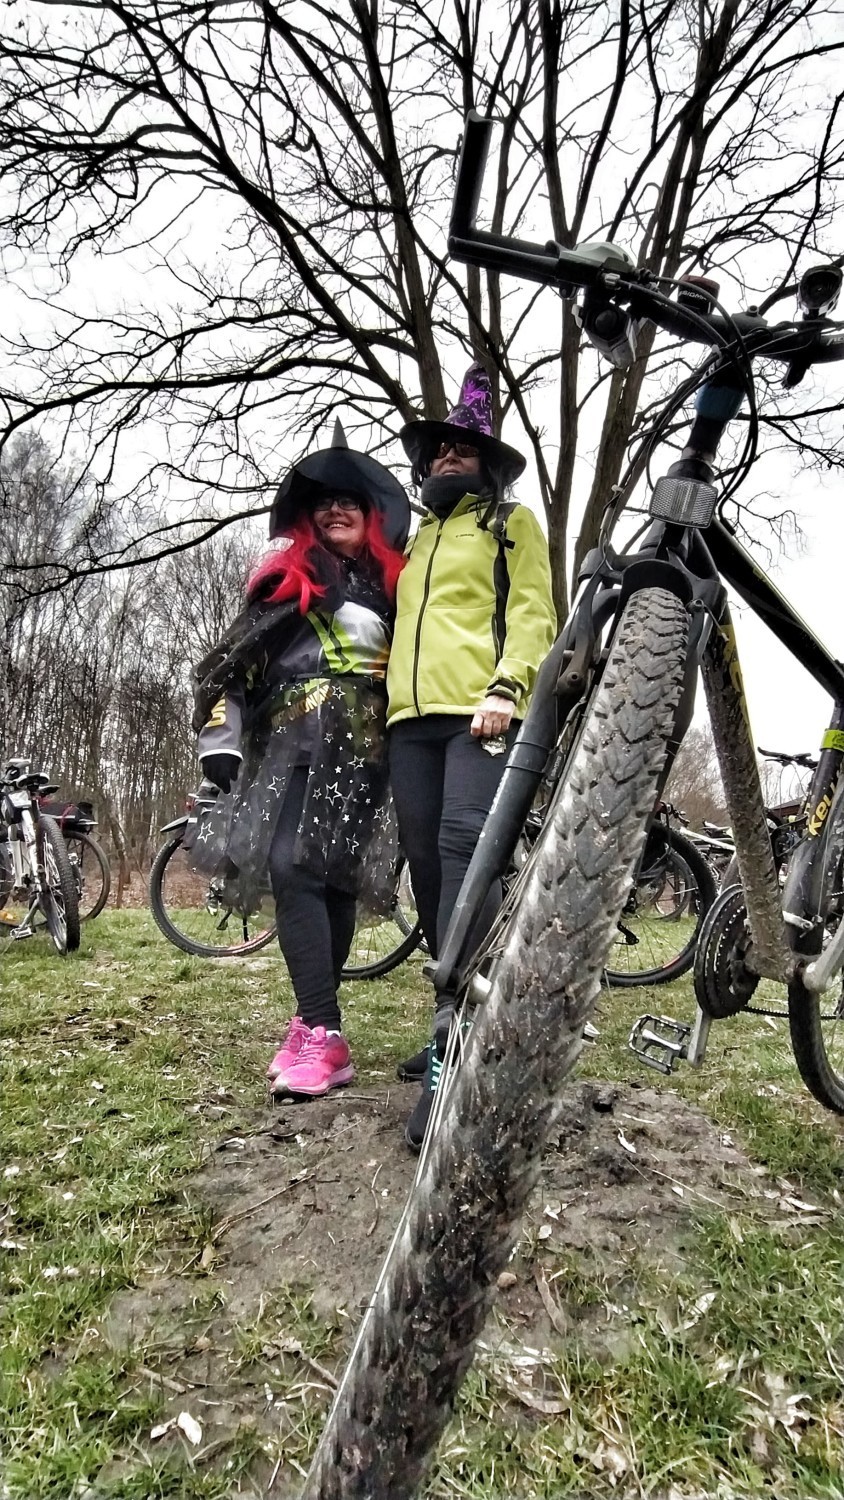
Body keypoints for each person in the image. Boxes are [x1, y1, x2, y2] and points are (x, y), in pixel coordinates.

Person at [191, 422, 409, 1099]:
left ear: (371, 515)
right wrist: (220, 739)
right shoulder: (278, 584)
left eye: (349, 500)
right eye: (323, 502)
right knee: (290, 864)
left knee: (334, 880)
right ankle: (321, 1026)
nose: (336, 508)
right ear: (306, 518)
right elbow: (228, 669)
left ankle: (317, 1026)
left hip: (368, 748)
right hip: (289, 746)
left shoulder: (396, 589)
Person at [387, 361, 557, 1150]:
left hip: (477, 715)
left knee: (465, 858)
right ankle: (451, 1012)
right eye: (439, 451)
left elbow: (533, 614)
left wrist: (505, 686)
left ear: (487, 461)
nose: (448, 458)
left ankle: (454, 1057)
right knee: (425, 868)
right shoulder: (417, 537)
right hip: (407, 720)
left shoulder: (510, 524)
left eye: (464, 449)